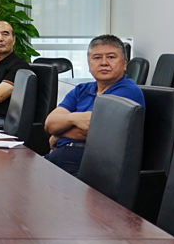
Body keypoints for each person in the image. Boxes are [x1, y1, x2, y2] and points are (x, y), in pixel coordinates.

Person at [44, 35, 145, 177]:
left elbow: (94, 132)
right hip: (60, 157)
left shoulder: (128, 92)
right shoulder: (81, 90)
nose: (104, 63)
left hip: (92, 165)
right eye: (97, 58)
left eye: (111, 57)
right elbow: (49, 124)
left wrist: (59, 133)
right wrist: (75, 119)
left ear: (124, 63)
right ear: (89, 64)